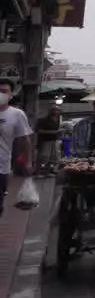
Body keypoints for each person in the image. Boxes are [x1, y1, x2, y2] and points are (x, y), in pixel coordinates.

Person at [0, 78, 33, 220]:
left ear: (11, 95)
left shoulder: (16, 114)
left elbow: (25, 139)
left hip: (1, 167)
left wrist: (28, 162)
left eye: (4, 91)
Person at [35, 104, 62, 175]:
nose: (57, 111)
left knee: (52, 158)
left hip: (54, 140)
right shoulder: (43, 120)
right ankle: (37, 173)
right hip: (45, 141)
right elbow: (39, 131)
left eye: (58, 110)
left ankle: (47, 172)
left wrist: (59, 133)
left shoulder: (57, 120)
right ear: (50, 111)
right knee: (42, 157)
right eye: (55, 110)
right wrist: (54, 132)